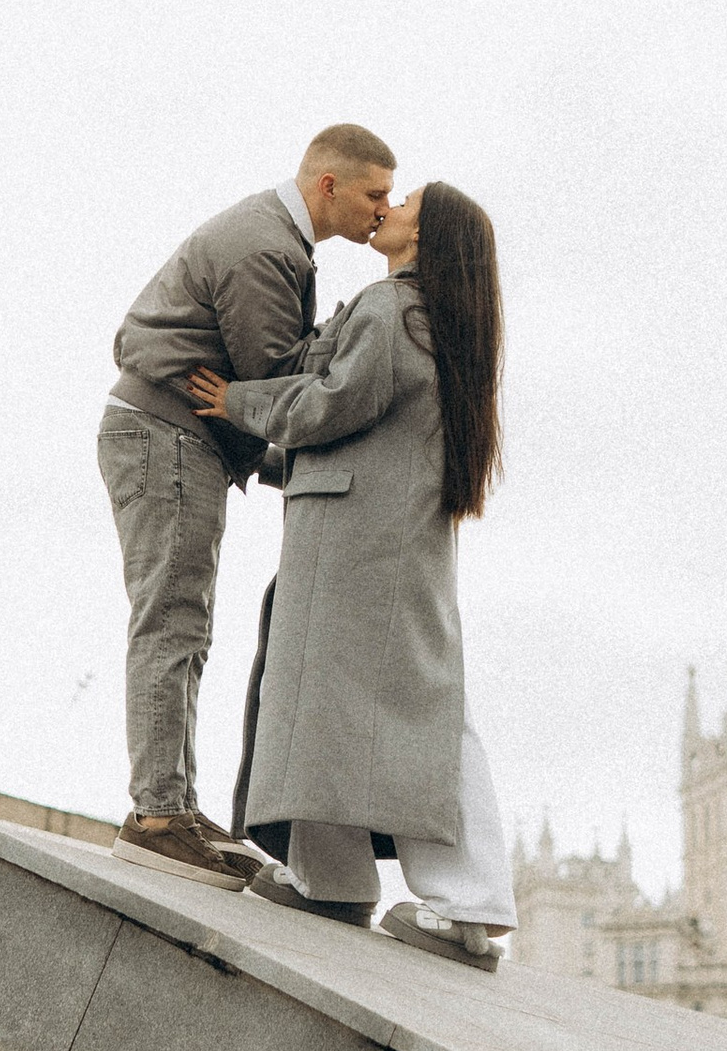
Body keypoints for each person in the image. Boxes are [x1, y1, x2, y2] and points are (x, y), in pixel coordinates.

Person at [188, 181, 514, 971]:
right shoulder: (431, 322)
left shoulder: (392, 310)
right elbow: (367, 429)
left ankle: (469, 904)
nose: (388, 207)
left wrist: (239, 403)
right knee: (335, 700)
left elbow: (331, 404)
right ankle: (333, 878)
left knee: (402, 706)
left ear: (424, 236)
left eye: (405, 203)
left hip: (360, 542)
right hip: (373, 534)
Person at [99, 126, 397, 887]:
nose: (381, 210)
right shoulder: (266, 249)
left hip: (175, 438)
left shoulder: (276, 240)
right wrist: (348, 339)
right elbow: (278, 387)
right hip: (166, 437)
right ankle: (160, 817)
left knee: (181, 622)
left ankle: (171, 804)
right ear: (329, 186)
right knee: (174, 621)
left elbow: (260, 393)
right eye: (374, 194)